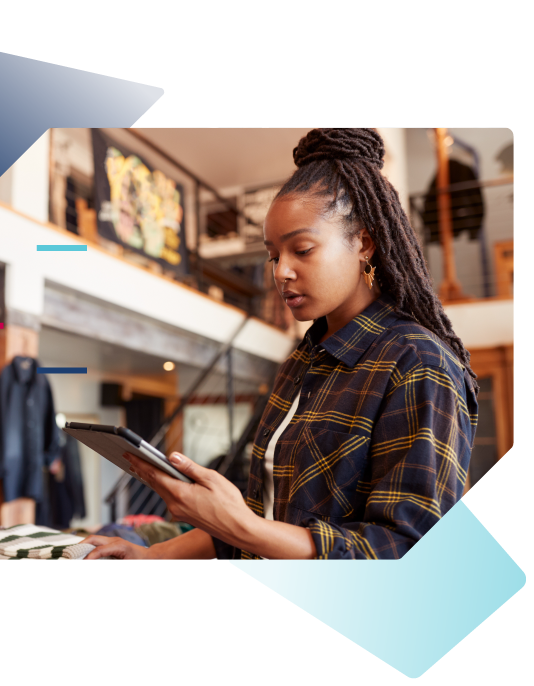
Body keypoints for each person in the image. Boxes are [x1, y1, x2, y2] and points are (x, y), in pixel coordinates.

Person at [81, 127, 479, 561]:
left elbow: (406, 552)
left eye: (302, 250)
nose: (280, 272)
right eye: (273, 255)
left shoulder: (417, 362)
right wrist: (149, 556)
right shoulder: (300, 363)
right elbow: (264, 515)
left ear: (363, 242)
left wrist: (243, 527)